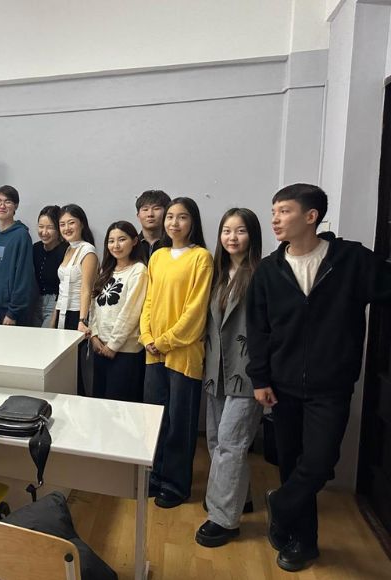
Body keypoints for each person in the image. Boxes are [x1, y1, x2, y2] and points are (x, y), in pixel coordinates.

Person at [246, 184, 391, 572]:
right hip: (282, 385)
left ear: (311, 217)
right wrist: (260, 379)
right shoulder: (269, 271)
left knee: (321, 461)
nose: (275, 219)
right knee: (292, 464)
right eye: (273, 211)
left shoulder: (351, 260)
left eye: (284, 211)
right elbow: (257, 330)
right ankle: (303, 542)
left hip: (332, 385)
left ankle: (281, 504)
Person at [195, 208, 263, 548]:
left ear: (252, 235)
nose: (232, 237)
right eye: (226, 231)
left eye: (240, 231)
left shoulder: (262, 274)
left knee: (231, 442)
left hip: (247, 373)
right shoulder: (218, 273)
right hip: (216, 370)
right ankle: (239, 497)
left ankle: (224, 519)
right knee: (216, 440)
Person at [140, 196, 213, 509]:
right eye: (170, 216)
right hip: (153, 351)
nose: (174, 222)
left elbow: (195, 312)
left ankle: (176, 483)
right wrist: (147, 337)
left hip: (183, 353)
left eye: (181, 217)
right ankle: (155, 476)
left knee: (180, 422)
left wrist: (165, 341)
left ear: (192, 221)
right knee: (156, 419)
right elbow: (149, 301)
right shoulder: (158, 256)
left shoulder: (201, 258)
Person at [88, 221, 147, 402]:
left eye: (122, 239)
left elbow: (131, 312)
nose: (116, 245)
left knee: (120, 406)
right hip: (101, 347)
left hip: (125, 351)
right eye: (111, 241)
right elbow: (94, 305)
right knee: (100, 401)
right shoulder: (106, 269)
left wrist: (113, 345)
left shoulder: (138, 270)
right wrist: (94, 335)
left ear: (134, 241)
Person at [0, 185, 34, 325]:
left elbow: (23, 277)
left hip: (9, 312)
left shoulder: (22, 236)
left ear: (15, 206)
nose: (2, 206)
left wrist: (13, 313)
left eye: (7, 201)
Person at [53, 204, 97, 332]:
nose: (66, 228)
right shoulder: (68, 249)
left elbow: (86, 289)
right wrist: (53, 319)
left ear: (82, 224)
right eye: (62, 224)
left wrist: (82, 320)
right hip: (62, 311)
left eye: (71, 223)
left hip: (78, 313)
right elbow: (62, 289)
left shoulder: (88, 251)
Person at [31, 205, 68, 328]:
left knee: (46, 337)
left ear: (58, 229)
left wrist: (56, 311)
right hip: (35, 301)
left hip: (55, 302)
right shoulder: (35, 248)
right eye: (41, 226)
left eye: (50, 227)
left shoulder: (66, 251)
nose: (44, 232)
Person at [135, 189, 172, 260]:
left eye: (156, 208)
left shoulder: (174, 244)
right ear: (138, 216)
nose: (150, 214)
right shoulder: (131, 245)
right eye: (145, 209)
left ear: (167, 214)